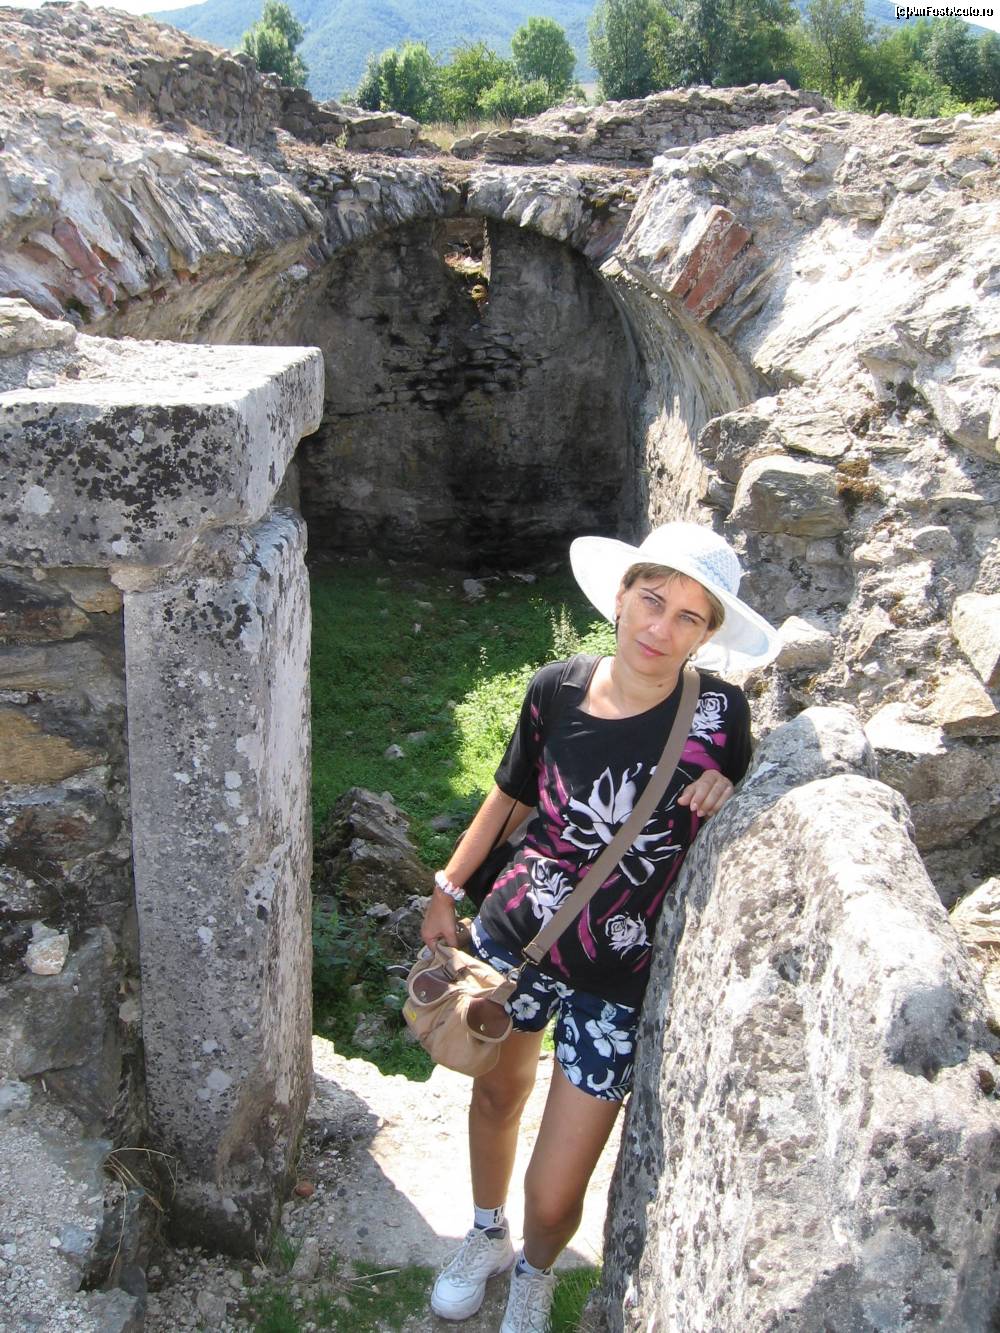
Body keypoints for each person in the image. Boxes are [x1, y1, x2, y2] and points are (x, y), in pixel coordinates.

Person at [420, 522, 778, 1333]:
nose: (661, 628)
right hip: (518, 938)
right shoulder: (555, 688)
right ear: (621, 596)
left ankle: (535, 1272)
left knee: (557, 1189)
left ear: (707, 634)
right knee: (496, 1095)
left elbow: (738, 793)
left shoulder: (721, 713)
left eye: (689, 617)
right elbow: (510, 795)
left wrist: (728, 787)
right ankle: (485, 1233)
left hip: (620, 977)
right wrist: (446, 885)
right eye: (652, 600)